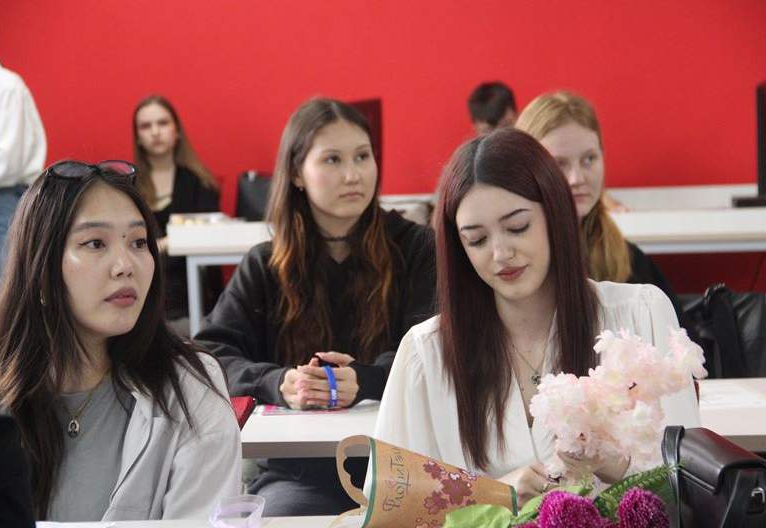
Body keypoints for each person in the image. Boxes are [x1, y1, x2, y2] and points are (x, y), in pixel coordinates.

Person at [372, 128, 699, 507]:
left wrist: (617, 466)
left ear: (554, 215)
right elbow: (393, 507)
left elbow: (690, 487)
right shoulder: (426, 353)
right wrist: (493, 495)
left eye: (517, 228)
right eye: (476, 240)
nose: (500, 253)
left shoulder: (640, 314)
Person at [195, 98, 436, 516]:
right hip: (297, 473)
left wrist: (365, 379)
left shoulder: (416, 248)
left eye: (362, 156)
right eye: (332, 159)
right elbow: (210, 356)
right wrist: (279, 382)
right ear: (296, 174)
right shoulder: (266, 264)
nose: (353, 175)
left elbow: (437, 350)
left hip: (404, 463)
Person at [0, 160, 240, 521]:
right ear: (40, 271)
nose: (125, 265)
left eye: (138, 242)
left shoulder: (191, 387)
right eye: (95, 243)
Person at [515, 91, 683, 320]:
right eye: (559, 164)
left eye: (589, 159)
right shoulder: (513, 264)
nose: (577, 178)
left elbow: (680, 339)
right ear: (526, 170)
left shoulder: (628, 259)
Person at [132, 95, 221, 326]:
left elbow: (208, 239)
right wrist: (165, 244)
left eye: (162, 123)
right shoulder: (128, 188)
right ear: (138, 137)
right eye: (146, 126)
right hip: (142, 293)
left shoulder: (201, 183)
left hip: (190, 294)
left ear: (177, 130)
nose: (155, 132)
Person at [0, 42, 46, 332]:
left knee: (3, 308)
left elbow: (6, 162)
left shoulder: (6, 86)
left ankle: (3, 363)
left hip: (1, 204)